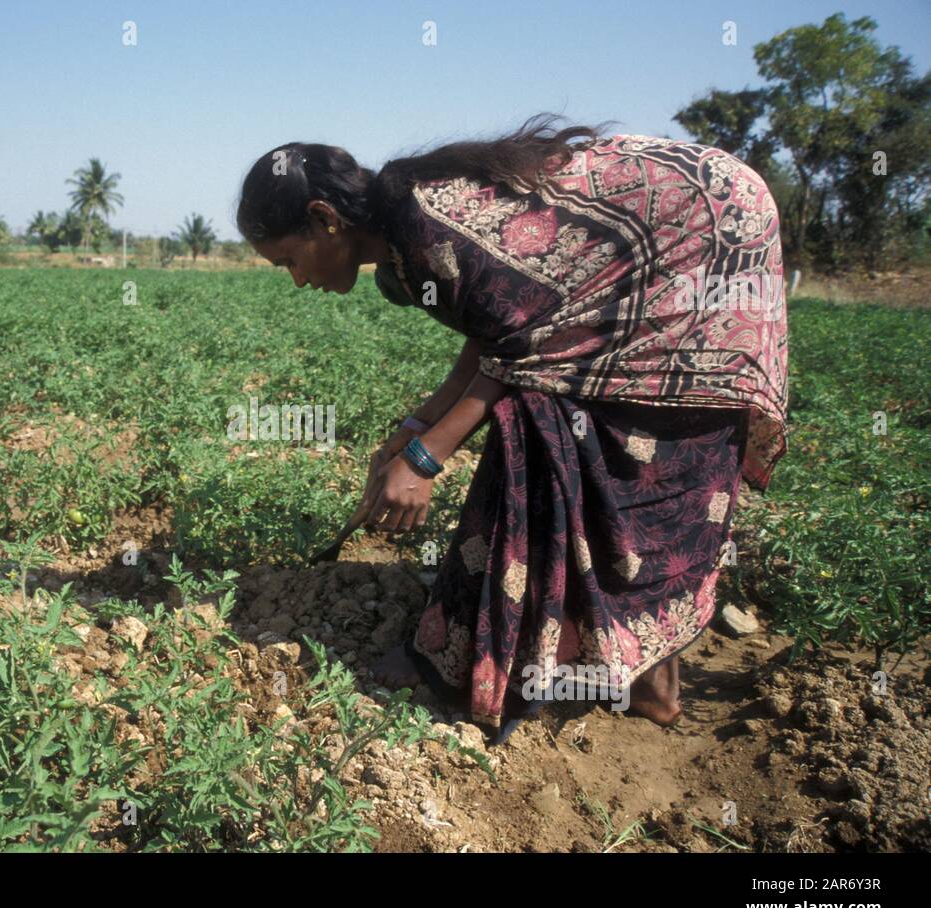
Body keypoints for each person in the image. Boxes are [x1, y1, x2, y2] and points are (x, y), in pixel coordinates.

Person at [234, 114, 788, 743]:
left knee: (588, 438)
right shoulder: (402, 239)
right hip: (691, 221)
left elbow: (519, 352)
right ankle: (645, 675)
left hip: (702, 233)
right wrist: (419, 424)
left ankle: (598, 671)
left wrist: (423, 458)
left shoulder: (423, 225)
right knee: (583, 440)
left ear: (324, 219)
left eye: (288, 261)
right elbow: (496, 327)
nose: (299, 280)